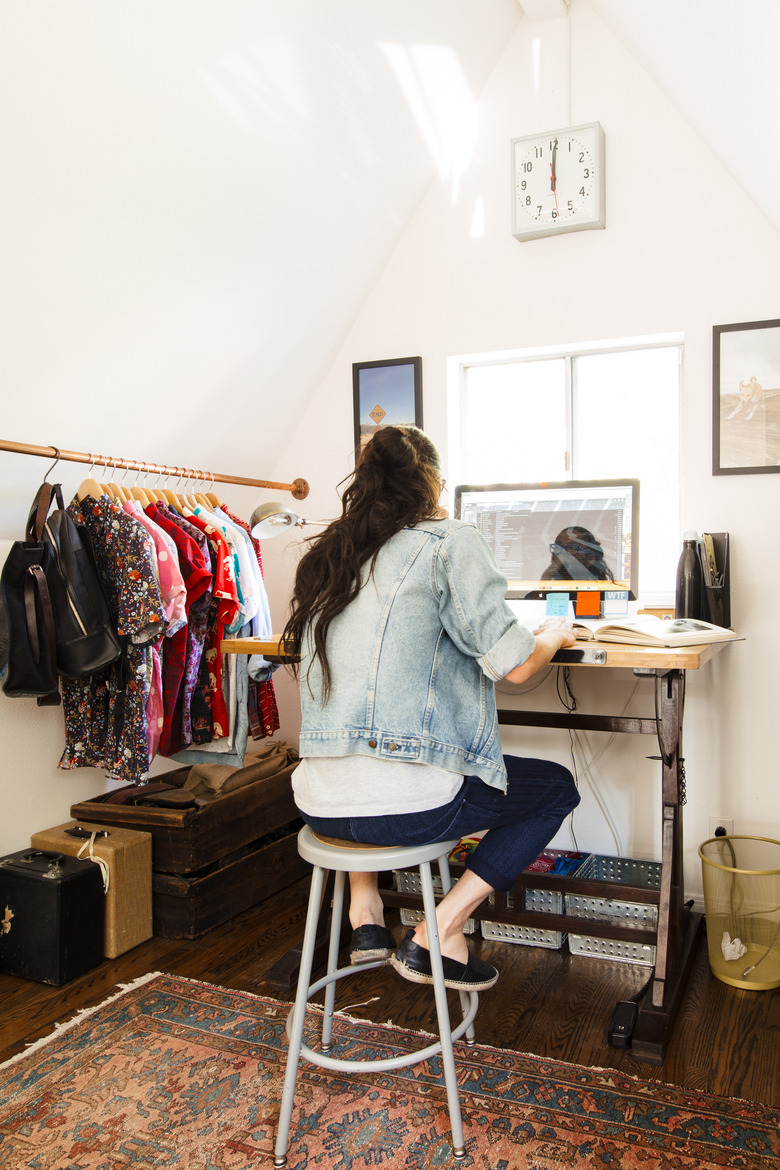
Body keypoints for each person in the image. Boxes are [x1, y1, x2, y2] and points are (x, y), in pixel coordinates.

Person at [282, 425, 580, 992]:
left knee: (367, 751)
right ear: (434, 482)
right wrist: (555, 633)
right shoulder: (448, 542)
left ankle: (365, 913)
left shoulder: (331, 555)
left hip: (318, 805)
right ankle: (439, 929)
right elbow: (516, 666)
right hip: (405, 809)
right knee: (555, 788)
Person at [541, 526, 615, 582]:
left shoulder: (603, 596)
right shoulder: (543, 594)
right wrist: (545, 579)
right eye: (558, 547)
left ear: (590, 558)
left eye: (572, 547)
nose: (562, 553)